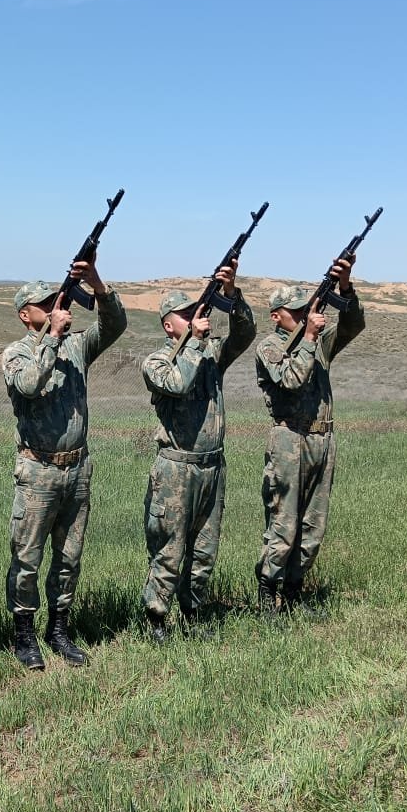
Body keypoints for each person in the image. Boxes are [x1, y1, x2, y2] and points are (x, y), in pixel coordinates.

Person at [2, 254, 127, 668]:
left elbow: (115, 325)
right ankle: (24, 635)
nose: (56, 306)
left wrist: (97, 283)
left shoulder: (77, 345)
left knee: (69, 557)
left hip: (77, 469)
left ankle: (59, 630)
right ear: (25, 314)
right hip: (38, 470)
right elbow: (29, 384)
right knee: (27, 557)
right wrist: (53, 336)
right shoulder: (17, 353)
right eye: (45, 303)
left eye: (57, 299)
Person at [141, 266, 257, 639]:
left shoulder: (209, 353)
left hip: (212, 467)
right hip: (176, 468)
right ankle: (156, 619)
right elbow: (178, 382)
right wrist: (194, 342)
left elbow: (245, 334)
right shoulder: (156, 362)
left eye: (196, 311)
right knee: (169, 548)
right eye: (185, 315)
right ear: (168, 326)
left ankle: (193, 614)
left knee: (204, 549)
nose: (195, 318)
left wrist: (232, 294)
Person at [252, 256, 363, 612]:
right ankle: (268, 591)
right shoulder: (270, 347)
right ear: (276, 316)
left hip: (322, 440)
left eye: (306, 310)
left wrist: (345, 286)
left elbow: (353, 325)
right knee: (284, 524)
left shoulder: (317, 343)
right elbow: (291, 379)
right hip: (290, 440)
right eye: (296, 311)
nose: (303, 316)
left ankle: (294, 592)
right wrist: (310, 337)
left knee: (313, 525)